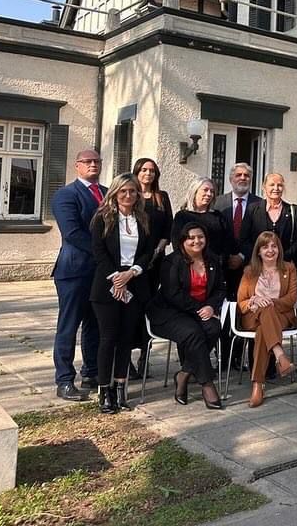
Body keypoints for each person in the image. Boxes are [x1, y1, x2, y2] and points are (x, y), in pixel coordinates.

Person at [89, 173, 153, 412]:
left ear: (138, 194)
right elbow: (98, 251)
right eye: (123, 191)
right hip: (107, 286)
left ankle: (120, 388)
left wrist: (132, 273)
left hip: (134, 282)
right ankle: (104, 391)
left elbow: (148, 252)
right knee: (108, 339)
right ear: (115, 193)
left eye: (133, 191)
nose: (128, 195)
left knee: (126, 339)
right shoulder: (102, 218)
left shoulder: (143, 219)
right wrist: (117, 279)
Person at [148, 223, 225, 408]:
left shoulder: (212, 260)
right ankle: (207, 384)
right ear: (182, 241)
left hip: (198, 312)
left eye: (200, 237)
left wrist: (211, 307)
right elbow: (172, 293)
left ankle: (183, 375)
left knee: (213, 327)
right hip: (169, 312)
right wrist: (201, 309)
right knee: (193, 333)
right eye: (191, 238)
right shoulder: (171, 261)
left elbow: (221, 288)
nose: (197, 241)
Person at [51, 148, 106, 401]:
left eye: (96, 161)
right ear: (77, 166)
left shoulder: (107, 193)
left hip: (100, 272)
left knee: (94, 324)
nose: (93, 165)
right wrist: (103, 254)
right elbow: (72, 233)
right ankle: (64, 380)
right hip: (74, 271)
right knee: (69, 325)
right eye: (87, 161)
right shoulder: (66, 195)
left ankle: (92, 371)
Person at [237, 232, 297, 408]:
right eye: (265, 247)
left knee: (262, 328)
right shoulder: (250, 271)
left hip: (281, 317)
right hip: (252, 317)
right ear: (258, 251)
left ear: (279, 249)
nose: (270, 250)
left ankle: (258, 385)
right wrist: (254, 300)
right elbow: (241, 303)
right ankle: (280, 355)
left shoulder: (289, 268)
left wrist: (270, 302)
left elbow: (292, 298)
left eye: (274, 246)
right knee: (263, 311)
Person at [129, 157, 173, 380]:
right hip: (132, 263)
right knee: (130, 309)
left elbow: (168, 229)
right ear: (137, 172)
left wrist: (157, 251)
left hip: (155, 263)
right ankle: (126, 358)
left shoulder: (161, 197)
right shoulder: (129, 195)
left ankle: (145, 357)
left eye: (152, 171)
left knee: (149, 308)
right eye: (144, 170)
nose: (148, 174)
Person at [172, 177, 240, 280]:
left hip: (215, 270)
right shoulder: (182, 216)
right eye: (205, 190)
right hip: (188, 270)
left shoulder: (218, 216)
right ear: (194, 191)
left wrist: (220, 260)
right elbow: (177, 243)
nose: (209, 194)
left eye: (212, 191)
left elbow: (228, 242)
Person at [213, 163, 259, 298]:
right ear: (231, 179)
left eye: (247, 175)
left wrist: (242, 256)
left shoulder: (259, 204)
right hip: (221, 266)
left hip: (249, 265)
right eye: (239, 175)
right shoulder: (217, 203)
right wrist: (227, 257)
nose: (243, 178)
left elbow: (258, 235)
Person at [240, 172, 297, 262]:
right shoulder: (252, 209)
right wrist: (259, 258)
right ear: (264, 187)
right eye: (272, 185)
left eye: (279, 185)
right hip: (257, 265)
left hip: (283, 265)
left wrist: (282, 258)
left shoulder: (293, 210)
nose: (276, 188)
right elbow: (244, 238)